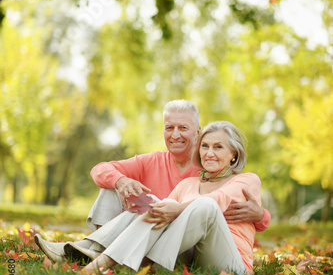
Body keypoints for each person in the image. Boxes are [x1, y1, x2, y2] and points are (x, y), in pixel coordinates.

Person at [35, 100, 270, 263]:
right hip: (147, 230)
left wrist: (260, 215)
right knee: (113, 189)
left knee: (155, 205)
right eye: (169, 128)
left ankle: (91, 251)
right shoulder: (152, 161)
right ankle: (92, 249)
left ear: (197, 132)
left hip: (186, 243)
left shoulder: (213, 168)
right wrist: (121, 181)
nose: (175, 134)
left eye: (183, 128)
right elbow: (99, 170)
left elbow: (233, 206)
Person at [70, 121, 261, 275]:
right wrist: (157, 206)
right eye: (205, 146)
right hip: (190, 262)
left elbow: (219, 198)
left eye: (218, 147)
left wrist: (178, 210)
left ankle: (110, 261)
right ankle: (106, 257)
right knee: (162, 204)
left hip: (232, 266)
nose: (209, 153)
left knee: (206, 205)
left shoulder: (246, 180)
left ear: (233, 154)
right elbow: (159, 220)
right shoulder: (187, 184)